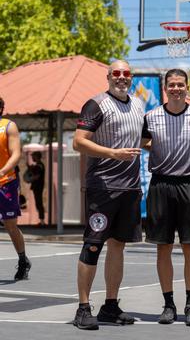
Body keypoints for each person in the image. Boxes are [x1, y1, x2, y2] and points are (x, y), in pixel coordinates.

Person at [72, 60, 144, 330]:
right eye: (117, 73)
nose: (121, 77)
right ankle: (83, 307)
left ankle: (110, 306)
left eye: (126, 73)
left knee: (118, 246)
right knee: (93, 244)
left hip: (130, 188)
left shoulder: (138, 104)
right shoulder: (96, 104)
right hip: (102, 188)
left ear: (131, 77)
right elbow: (78, 141)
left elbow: (143, 139)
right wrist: (113, 153)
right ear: (108, 76)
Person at [142, 69, 190, 326]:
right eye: (171, 85)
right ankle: (168, 304)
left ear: (187, 87)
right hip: (161, 183)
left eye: (180, 85)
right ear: (165, 88)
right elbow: (139, 140)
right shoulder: (151, 117)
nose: (176, 89)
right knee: (163, 247)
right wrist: (158, 147)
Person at [0, 97, 31, 280]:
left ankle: (22, 259)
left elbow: (16, 154)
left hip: (5, 182)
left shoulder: (8, 126)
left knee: (10, 225)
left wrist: (2, 170)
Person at [28, 151, 45, 225]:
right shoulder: (37, 165)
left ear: (37, 156)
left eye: (33, 156)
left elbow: (37, 176)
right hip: (37, 187)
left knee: (39, 203)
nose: (32, 158)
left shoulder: (39, 166)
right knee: (38, 203)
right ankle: (41, 220)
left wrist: (30, 179)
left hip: (38, 187)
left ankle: (42, 221)